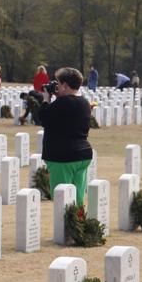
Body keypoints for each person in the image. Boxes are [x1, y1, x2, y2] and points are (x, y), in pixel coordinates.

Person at [39, 67, 93, 206]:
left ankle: (67, 221)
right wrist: (58, 97)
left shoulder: (61, 103)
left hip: (63, 157)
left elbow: (42, 118)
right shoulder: (84, 103)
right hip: (83, 154)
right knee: (78, 199)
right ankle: (79, 219)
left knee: (62, 201)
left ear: (64, 85)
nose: (56, 86)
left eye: (58, 83)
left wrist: (46, 99)